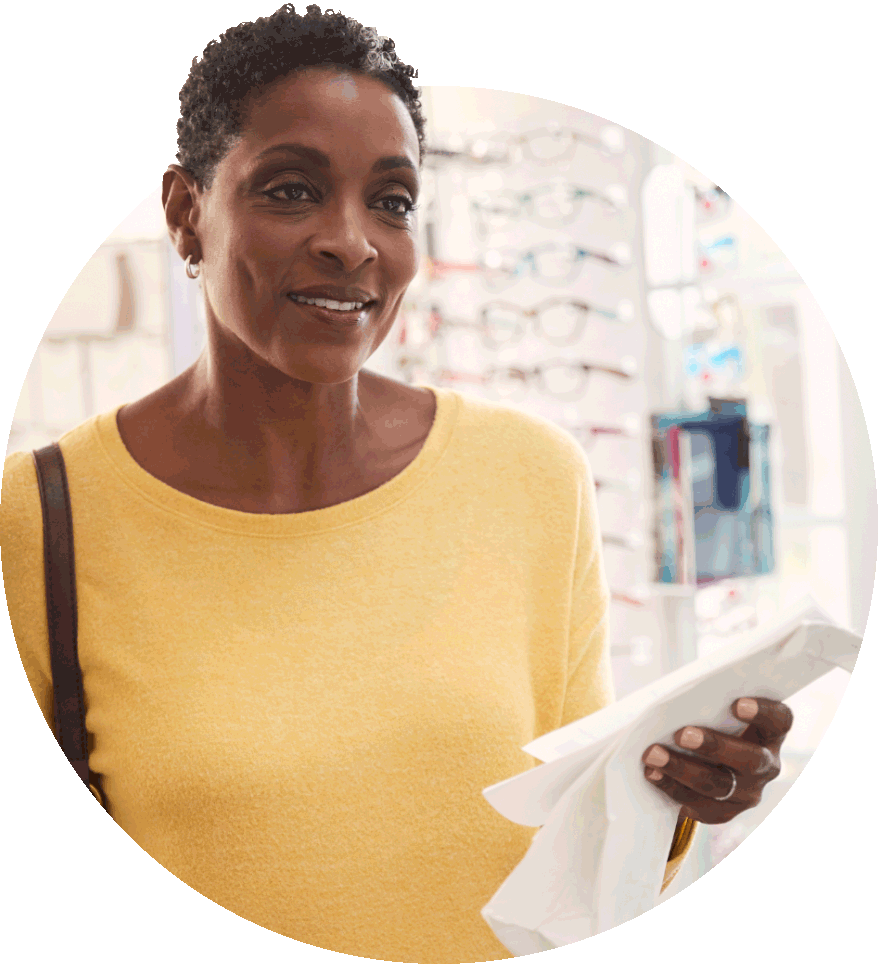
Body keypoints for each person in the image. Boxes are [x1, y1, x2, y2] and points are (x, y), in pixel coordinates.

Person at [1, 6, 696, 961]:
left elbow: (576, 845)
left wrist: (679, 797)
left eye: (393, 201)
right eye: (291, 191)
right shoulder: (39, 519)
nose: (352, 243)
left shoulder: (531, 478)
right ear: (185, 213)